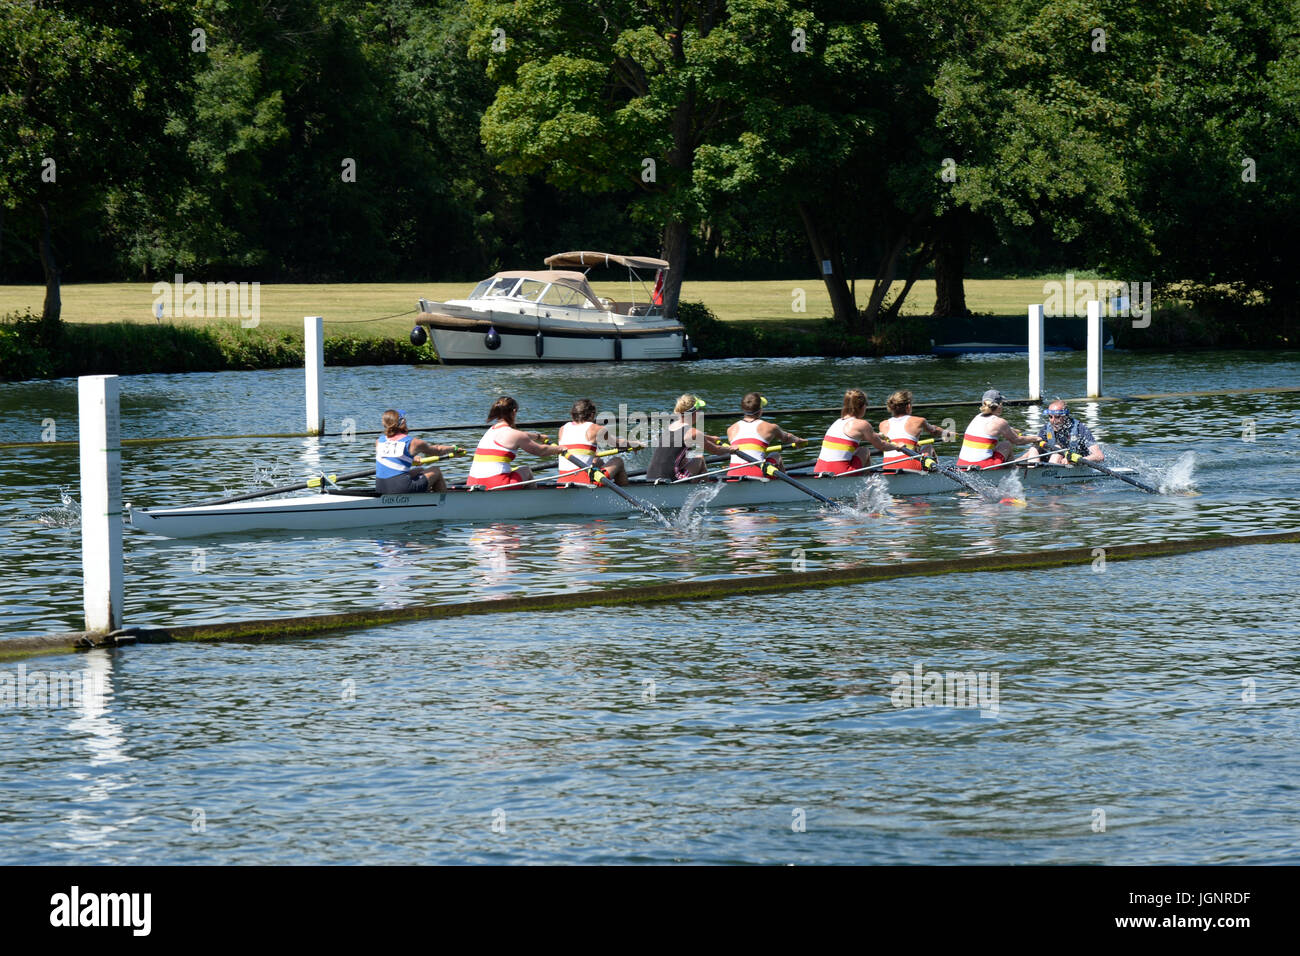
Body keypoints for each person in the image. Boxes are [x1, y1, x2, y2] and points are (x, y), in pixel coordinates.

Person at [466, 396, 560, 488]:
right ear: (514, 412)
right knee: (526, 471)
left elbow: (521, 435)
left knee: (514, 470)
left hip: (472, 482)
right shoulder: (515, 435)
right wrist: (561, 448)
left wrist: (539, 437)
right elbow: (541, 451)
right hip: (496, 483)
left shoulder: (491, 430)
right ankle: (531, 501)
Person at [812, 389, 910, 475]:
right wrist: (898, 447)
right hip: (840, 472)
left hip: (819, 471)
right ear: (862, 406)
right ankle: (865, 483)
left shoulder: (836, 423)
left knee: (855, 450)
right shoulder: (862, 424)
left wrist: (877, 435)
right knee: (864, 451)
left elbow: (860, 436)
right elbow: (882, 446)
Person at [556, 398, 643, 486]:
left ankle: (605, 488)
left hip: (562, 480)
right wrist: (633, 444)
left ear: (573, 414)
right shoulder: (596, 429)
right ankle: (623, 494)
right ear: (592, 415)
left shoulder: (562, 429)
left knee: (598, 461)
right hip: (585, 481)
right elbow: (618, 444)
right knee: (618, 461)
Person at [375, 410, 461, 493]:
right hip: (401, 487)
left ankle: (422, 500)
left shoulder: (379, 441)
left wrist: (411, 459)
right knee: (436, 470)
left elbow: (391, 456)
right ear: (403, 422)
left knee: (420, 470)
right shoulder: (414, 443)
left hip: (380, 487)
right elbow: (437, 450)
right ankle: (444, 504)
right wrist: (454, 449)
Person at [646, 395, 728, 482]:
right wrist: (732, 449)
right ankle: (704, 489)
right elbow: (717, 451)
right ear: (695, 413)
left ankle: (702, 486)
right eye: (700, 410)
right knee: (699, 458)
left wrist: (711, 438)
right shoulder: (693, 432)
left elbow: (689, 435)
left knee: (689, 455)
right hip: (671, 480)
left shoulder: (670, 427)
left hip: (650, 478)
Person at [727, 392, 806, 477]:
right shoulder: (770, 427)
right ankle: (784, 485)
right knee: (776, 455)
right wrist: (798, 441)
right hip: (757, 473)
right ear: (760, 410)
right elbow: (787, 438)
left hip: (732, 475)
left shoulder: (731, 429)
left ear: (743, 409)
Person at [956, 389, 1038, 469]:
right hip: (981, 466)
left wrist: (1012, 430)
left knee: (994, 446)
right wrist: (1036, 438)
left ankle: (1009, 469)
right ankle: (1014, 474)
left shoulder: (977, 418)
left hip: (961, 465)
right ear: (999, 405)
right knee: (1006, 445)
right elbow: (1018, 441)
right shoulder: (999, 422)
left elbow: (996, 428)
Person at [877, 389, 947, 472]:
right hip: (910, 467)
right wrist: (948, 433)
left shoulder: (882, 424)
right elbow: (934, 431)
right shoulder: (919, 420)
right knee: (929, 446)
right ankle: (936, 475)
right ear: (908, 406)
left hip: (887, 468)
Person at [1035, 400, 1103, 464]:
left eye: (1057, 417)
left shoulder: (1080, 429)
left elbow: (1099, 456)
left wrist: (1076, 460)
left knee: (1058, 449)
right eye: (1050, 417)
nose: (1053, 421)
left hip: (1075, 464)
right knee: (1034, 448)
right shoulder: (1046, 429)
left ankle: (1048, 473)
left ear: (1065, 417)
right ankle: (1028, 470)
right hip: (1055, 461)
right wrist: (1024, 459)